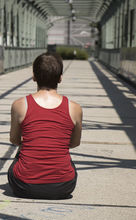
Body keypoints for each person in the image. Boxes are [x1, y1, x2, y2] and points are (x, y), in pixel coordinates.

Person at [7, 52, 83, 199]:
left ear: (34, 76)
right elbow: (74, 143)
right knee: (65, 156)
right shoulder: (74, 108)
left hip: (23, 185)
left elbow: (15, 140)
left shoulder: (19, 105)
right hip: (64, 186)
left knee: (21, 151)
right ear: (60, 78)